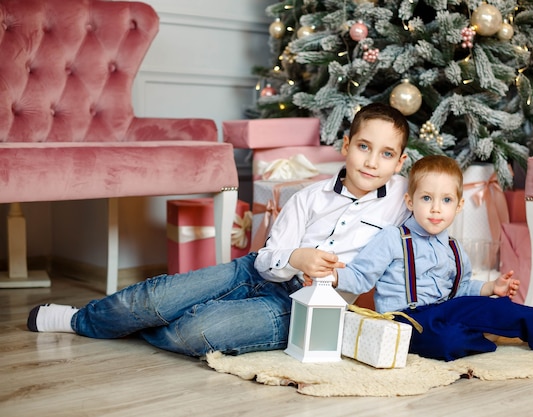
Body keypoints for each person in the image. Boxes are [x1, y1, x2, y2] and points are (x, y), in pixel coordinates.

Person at [27, 102, 411, 357]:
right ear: (345, 145)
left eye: (387, 154)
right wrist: (298, 257)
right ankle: (82, 320)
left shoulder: (403, 197)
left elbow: (439, 195)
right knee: (155, 300)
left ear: (400, 162)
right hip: (257, 270)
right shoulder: (308, 198)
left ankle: (137, 328)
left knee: (194, 333)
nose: (373, 161)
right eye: (364, 146)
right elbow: (269, 258)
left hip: (304, 307)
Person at [328, 155, 533, 361]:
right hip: (405, 319)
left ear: (459, 205)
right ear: (410, 202)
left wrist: (490, 288)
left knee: (502, 308)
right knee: (446, 342)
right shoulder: (393, 238)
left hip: (446, 308)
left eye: (446, 200)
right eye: (427, 198)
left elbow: (462, 288)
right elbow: (360, 275)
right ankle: (483, 337)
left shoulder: (454, 247)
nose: (436, 209)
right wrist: (333, 274)